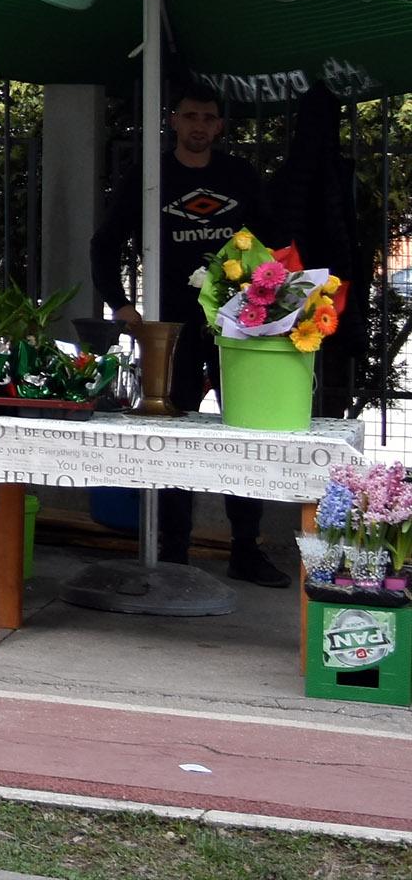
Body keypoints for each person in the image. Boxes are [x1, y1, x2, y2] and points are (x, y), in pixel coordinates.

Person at [92, 79, 289, 586]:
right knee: (171, 436)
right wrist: (120, 305)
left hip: (236, 327)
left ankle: (246, 548)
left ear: (219, 126)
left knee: (245, 432)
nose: (199, 126)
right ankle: (173, 551)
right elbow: (106, 241)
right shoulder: (150, 174)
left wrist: (270, 303)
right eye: (190, 117)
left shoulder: (238, 175)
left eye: (208, 118)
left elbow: (275, 244)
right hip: (168, 328)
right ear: (174, 121)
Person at [267, 87, 364, 418]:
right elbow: (346, 241)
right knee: (326, 396)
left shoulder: (287, 177)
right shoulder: (335, 174)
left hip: (292, 293)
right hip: (327, 295)